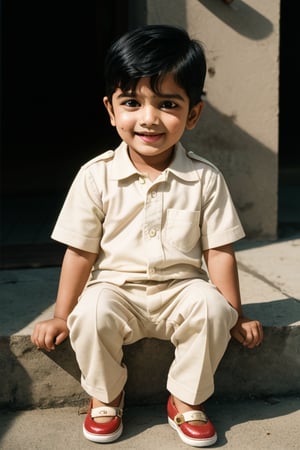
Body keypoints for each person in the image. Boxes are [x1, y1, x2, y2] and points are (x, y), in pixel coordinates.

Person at [31, 24, 263, 447]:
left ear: (193, 113)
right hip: (115, 290)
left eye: (168, 103)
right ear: (111, 109)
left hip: (181, 289)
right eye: (132, 102)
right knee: (92, 313)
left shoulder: (205, 178)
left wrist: (236, 313)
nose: (149, 118)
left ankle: (185, 399)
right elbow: (80, 253)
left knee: (212, 309)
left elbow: (219, 250)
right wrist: (62, 315)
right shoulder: (96, 176)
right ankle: (106, 394)